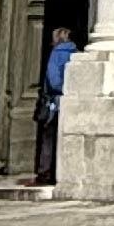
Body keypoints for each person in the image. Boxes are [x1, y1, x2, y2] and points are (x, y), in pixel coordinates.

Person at [33, 22, 75, 189]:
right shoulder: (76, 53)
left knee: (49, 137)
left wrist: (59, 90)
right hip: (70, 100)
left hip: (54, 102)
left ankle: (45, 172)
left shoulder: (56, 53)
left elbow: (53, 79)